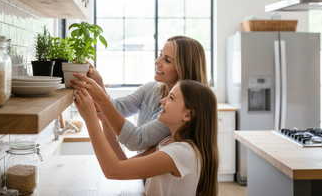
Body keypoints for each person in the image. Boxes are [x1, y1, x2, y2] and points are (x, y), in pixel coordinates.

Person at [74, 80, 219, 196]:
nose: (163, 100)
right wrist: (104, 121)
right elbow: (121, 163)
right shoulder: (167, 143)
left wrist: (90, 120)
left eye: (171, 98)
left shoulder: (182, 153)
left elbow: (113, 170)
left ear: (187, 115)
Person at [69, 35, 208, 151]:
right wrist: (99, 82)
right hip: (144, 179)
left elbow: (137, 140)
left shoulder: (177, 114)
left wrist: (98, 105)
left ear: (184, 69)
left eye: (167, 60)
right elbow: (116, 108)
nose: (157, 61)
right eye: (160, 54)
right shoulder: (151, 89)